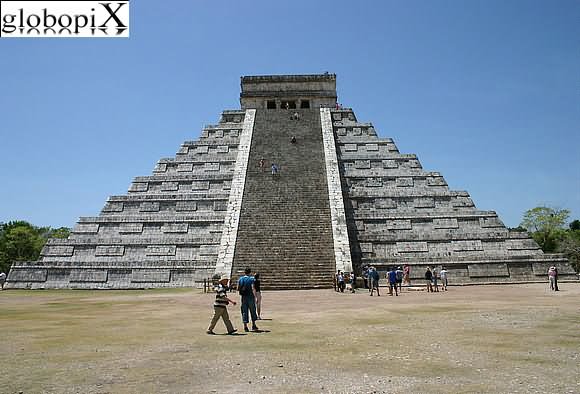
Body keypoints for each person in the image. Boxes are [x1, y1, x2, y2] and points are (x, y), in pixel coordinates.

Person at [238, 267, 259, 332]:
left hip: (243, 297)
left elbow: (238, 288)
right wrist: (255, 297)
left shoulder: (240, 279)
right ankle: (253, 325)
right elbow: (253, 288)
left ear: (244, 272)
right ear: (250, 272)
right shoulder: (251, 279)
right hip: (250, 297)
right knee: (252, 310)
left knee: (244, 311)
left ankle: (245, 326)